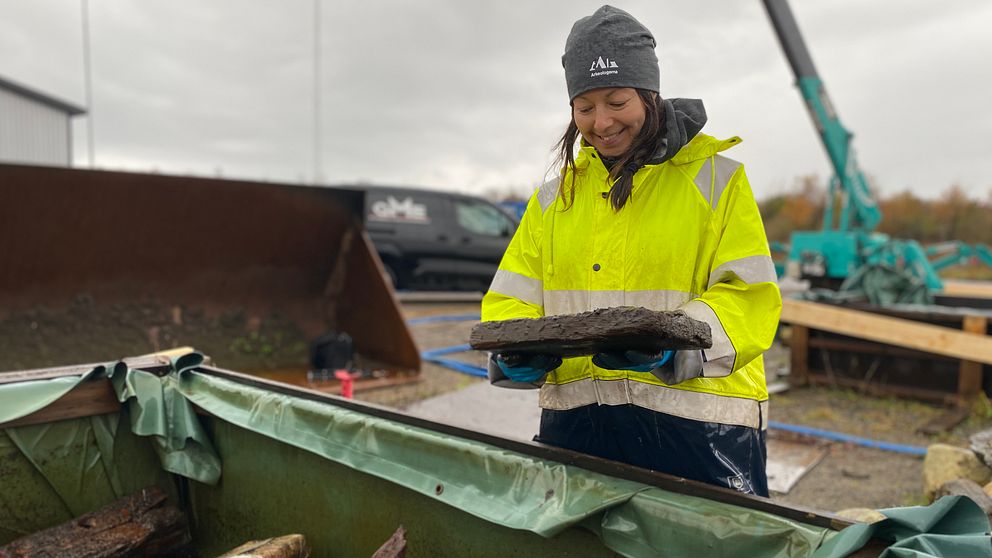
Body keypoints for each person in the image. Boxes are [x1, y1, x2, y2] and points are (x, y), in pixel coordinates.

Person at [481, 5, 781, 496]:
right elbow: (510, 298)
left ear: (649, 93)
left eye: (617, 101)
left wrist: (671, 341)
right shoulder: (555, 199)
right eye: (584, 106)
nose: (601, 122)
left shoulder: (717, 181)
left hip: (700, 434)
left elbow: (749, 299)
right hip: (580, 429)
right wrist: (513, 348)